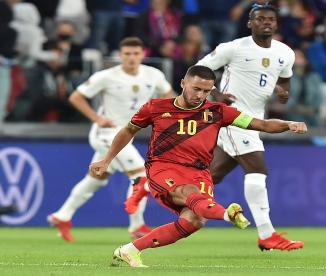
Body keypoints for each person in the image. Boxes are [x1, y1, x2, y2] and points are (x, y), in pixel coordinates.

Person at [89, 65, 308, 267]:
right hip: (163, 167)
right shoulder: (155, 107)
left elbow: (261, 124)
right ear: (183, 83)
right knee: (189, 193)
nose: (200, 95)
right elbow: (128, 130)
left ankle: (130, 250)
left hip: (199, 172)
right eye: (196, 89)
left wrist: (288, 124)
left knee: (194, 220)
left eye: (206, 91)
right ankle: (226, 215)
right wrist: (107, 159)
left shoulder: (218, 112)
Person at [129, 2, 303, 251]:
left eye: (270, 20)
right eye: (260, 19)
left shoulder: (286, 52)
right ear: (250, 23)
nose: (266, 23)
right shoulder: (233, 48)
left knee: (214, 174)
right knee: (257, 169)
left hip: (255, 118)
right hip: (232, 118)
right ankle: (267, 234)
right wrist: (216, 95)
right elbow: (199, 70)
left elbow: (285, 77)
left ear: (276, 23)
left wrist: (284, 91)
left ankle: (144, 187)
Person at [47, 37, 174, 242]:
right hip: (106, 134)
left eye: (135, 53)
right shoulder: (106, 76)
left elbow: (169, 97)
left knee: (95, 180)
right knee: (142, 174)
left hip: (127, 135)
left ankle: (62, 215)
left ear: (143, 54)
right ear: (120, 55)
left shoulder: (154, 75)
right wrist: (97, 118)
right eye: (127, 54)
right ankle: (136, 225)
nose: (131, 58)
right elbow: (75, 97)